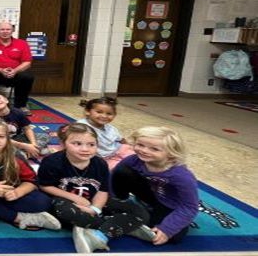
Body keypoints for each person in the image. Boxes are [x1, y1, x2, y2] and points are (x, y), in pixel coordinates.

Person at [38, 123, 149, 254]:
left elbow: (103, 190)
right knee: (66, 212)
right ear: (63, 144)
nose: (85, 149)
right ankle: (123, 225)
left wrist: (95, 209)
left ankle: (100, 230)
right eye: (77, 144)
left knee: (140, 212)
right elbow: (44, 185)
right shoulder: (52, 161)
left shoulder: (100, 163)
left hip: (94, 200)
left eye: (91, 144)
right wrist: (75, 198)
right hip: (65, 201)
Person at [112, 126, 199, 246]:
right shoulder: (134, 160)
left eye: (154, 149)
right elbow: (113, 178)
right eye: (140, 145)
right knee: (122, 171)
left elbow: (190, 207)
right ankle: (119, 201)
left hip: (170, 204)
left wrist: (167, 229)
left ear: (171, 155)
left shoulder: (181, 176)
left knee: (173, 236)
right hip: (151, 193)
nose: (144, 151)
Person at [0, 22, 35, 115]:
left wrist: (15, 71)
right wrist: (0, 70)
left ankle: (20, 106)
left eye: (8, 29)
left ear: (12, 30)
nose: (5, 32)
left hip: (16, 73)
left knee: (27, 76)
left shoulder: (22, 44)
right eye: (2, 29)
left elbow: (27, 62)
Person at [0, 90, 48, 158]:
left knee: (44, 136)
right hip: (0, 142)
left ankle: (30, 151)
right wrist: (24, 146)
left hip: (17, 138)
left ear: (6, 100)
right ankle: (26, 153)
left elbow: (27, 128)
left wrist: (33, 144)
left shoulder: (17, 112)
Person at [76, 97, 134, 169]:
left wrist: (128, 145)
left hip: (117, 149)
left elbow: (121, 139)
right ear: (88, 111)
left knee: (135, 157)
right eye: (99, 112)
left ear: (114, 115)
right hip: (101, 157)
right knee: (114, 169)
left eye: (109, 114)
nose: (104, 116)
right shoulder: (81, 126)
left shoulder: (111, 128)